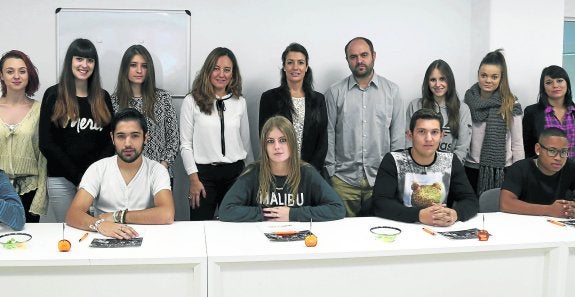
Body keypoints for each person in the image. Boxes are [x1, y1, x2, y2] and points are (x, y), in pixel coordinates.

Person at [325, 37, 405, 217]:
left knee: (377, 234)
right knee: (342, 236)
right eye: (353, 57)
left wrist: (394, 176)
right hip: (343, 182)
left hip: (380, 181)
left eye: (364, 55)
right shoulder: (334, 92)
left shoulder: (392, 91)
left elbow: (398, 137)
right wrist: (331, 173)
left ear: (373, 56)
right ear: (347, 60)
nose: (359, 60)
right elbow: (328, 134)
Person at [66, 108, 174, 239]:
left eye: (135, 136)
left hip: (147, 239)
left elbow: (167, 214)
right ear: (112, 138)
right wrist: (99, 224)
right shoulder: (98, 169)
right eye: (121, 136)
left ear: (145, 138)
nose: (127, 143)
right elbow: (73, 214)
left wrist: (117, 216)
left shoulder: (157, 170)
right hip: (104, 238)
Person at [39, 38, 114, 223]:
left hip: (96, 181)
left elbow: (110, 142)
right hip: (61, 180)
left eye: (90, 60)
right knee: (69, 230)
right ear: (70, 61)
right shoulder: (53, 95)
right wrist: (77, 177)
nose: (84, 65)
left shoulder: (102, 97)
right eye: (79, 59)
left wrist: (90, 177)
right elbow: (46, 143)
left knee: (97, 229)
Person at [219, 116, 345, 222]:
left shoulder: (307, 173)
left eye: (283, 140)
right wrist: (267, 214)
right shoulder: (253, 173)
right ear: (264, 146)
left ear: (292, 143)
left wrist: (293, 215)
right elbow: (226, 210)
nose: (277, 147)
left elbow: (337, 208)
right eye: (270, 141)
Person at [180, 47, 253, 221]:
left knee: (235, 229)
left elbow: (246, 144)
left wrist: (250, 179)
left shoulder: (240, 102)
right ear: (208, 70)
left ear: (233, 74)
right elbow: (185, 144)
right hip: (203, 176)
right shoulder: (191, 101)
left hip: (235, 175)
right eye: (216, 68)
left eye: (227, 70)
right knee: (200, 228)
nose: (221, 74)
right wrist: (193, 179)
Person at [372, 109, 478, 226]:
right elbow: (380, 203)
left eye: (434, 132)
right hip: (401, 227)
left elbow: (470, 200)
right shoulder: (393, 160)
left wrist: (455, 214)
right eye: (422, 131)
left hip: (439, 229)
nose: (428, 138)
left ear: (442, 136)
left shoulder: (451, 161)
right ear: (410, 135)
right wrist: (419, 215)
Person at [111, 45, 179, 180]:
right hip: (126, 176)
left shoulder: (163, 98)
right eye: (133, 65)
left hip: (159, 174)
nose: (139, 70)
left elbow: (174, 138)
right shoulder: (114, 101)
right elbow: (112, 142)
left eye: (144, 66)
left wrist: (163, 166)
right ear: (125, 68)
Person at [259, 43, 327, 173]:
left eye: (300, 62)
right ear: (284, 66)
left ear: (306, 67)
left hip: (311, 171)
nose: (295, 67)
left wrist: (310, 171)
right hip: (278, 170)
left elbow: (323, 140)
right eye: (290, 62)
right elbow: (265, 138)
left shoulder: (318, 100)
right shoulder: (269, 98)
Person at [464, 49, 524, 196]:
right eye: (483, 75)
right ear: (478, 75)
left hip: (503, 170)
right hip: (470, 167)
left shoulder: (510, 103)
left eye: (494, 76)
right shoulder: (467, 101)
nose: (488, 80)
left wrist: (518, 173)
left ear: (501, 78)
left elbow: (517, 142)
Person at [0, 50, 46, 222]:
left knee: (27, 243)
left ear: (29, 74)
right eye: (10, 71)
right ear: (2, 76)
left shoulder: (40, 110)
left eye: (22, 71)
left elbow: (43, 158)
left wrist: (40, 199)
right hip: (1, 189)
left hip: (29, 190)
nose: (16, 76)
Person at [500, 127, 575, 218]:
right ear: (538, 149)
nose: (558, 158)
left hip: (558, 226)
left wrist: (571, 208)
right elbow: (506, 204)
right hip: (522, 223)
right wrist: (549, 210)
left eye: (564, 152)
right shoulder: (520, 169)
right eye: (552, 151)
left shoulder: (570, 167)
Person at [406, 59, 471, 162]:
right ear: (427, 82)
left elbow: (462, 149)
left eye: (442, 79)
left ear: (450, 81)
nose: (437, 84)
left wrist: (445, 169)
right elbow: (409, 143)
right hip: (419, 169)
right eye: (433, 80)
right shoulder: (415, 106)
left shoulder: (462, 109)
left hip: (450, 170)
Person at [523, 65, 575, 159]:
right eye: (549, 82)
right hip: (543, 171)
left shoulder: (573, 112)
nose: (555, 85)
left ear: (567, 83)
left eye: (559, 80)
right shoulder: (531, 113)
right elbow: (527, 148)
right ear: (543, 87)